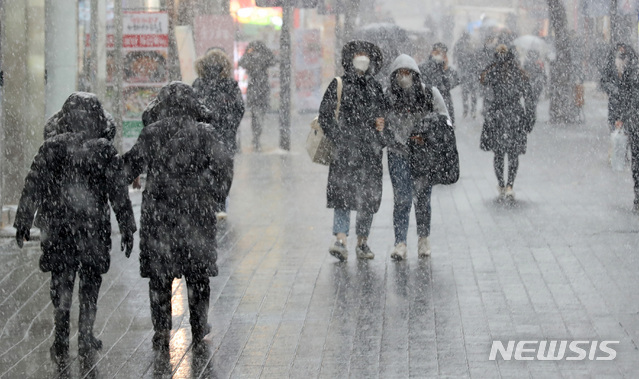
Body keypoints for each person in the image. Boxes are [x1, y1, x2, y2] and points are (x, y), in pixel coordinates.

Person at [13, 93, 136, 365]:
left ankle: (60, 335)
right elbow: (118, 194)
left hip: (58, 227)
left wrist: (23, 220)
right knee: (90, 282)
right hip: (93, 227)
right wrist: (127, 227)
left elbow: (32, 186)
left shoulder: (50, 149)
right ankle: (86, 334)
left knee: (61, 281)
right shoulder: (104, 151)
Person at [123, 81, 233, 351]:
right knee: (197, 275)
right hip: (196, 212)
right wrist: (214, 194)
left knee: (160, 275)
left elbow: (126, 169)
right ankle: (198, 328)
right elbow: (224, 166)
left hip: (160, 215)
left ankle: (161, 329)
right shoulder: (206, 134)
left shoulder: (152, 133)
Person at [319, 40, 387, 261]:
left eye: (365, 54)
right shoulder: (338, 84)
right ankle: (340, 240)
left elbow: (384, 118)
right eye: (358, 54)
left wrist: (380, 134)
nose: (362, 58)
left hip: (370, 152)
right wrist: (341, 138)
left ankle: (362, 242)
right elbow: (326, 116)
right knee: (343, 195)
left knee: (367, 198)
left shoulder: (376, 87)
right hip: (345, 152)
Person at [384, 54, 451, 260]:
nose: (404, 77)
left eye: (407, 73)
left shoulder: (429, 93)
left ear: (415, 74)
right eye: (400, 74)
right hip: (398, 152)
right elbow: (380, 120)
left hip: (423, 154)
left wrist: (428, 134)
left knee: (422, 199)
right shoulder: (388, 96)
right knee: (402, 198)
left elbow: (444, 119)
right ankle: (400, 242)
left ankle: (423, 238)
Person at [193, 48, 245, 220]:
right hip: (225, 137)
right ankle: (220, 204)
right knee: (224, 171)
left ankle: (205, 202)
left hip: (202, 137)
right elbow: (239, 109)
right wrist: (230, 127)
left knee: (204, 168)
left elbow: (192, 108)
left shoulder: (198, 84)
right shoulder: (230, 85)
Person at [480, 44, 535, 200]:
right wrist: (530, 117)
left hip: (499, 116)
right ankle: (509, 184)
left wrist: (493, 64)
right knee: (512, 154)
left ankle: (503, 184)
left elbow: (482, 80)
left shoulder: (494, 71)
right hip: (513, 116)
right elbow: (528, 96)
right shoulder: (518, 72)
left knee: (499, 153)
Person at [600, 43, 639, 210]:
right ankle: (637, 191)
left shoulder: (631, 71)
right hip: (632, 119)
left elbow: (627, 95)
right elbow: (624, 95)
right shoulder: (628, 71)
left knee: (636, 157)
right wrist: (621, 116)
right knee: (636, 157)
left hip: (632, 118)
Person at [238, 41, 275, 151]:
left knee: (258, 114)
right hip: (258, 88)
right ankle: (256, 137)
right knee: (257, 114)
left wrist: (250, 52)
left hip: (258, 88)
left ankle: (256, 137)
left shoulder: (258, 58)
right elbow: (242, 62)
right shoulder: (258, 58)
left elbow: (272, 60)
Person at [419, 42, 459, 125]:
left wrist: (446, 69)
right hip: (429, 106)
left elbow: (454, 82)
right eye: (437, 52)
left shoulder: (445, 69)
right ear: (432, 52)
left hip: (445, 105)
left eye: (442, 53)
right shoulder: (424, 67)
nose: (439, 55)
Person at [453, 32, 479, 119]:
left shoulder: (461, 48)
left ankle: (467, 110)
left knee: (466, 94)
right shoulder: (470, 50)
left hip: (467, 75)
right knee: (472, 94)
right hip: (469, 75)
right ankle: (471, 110)